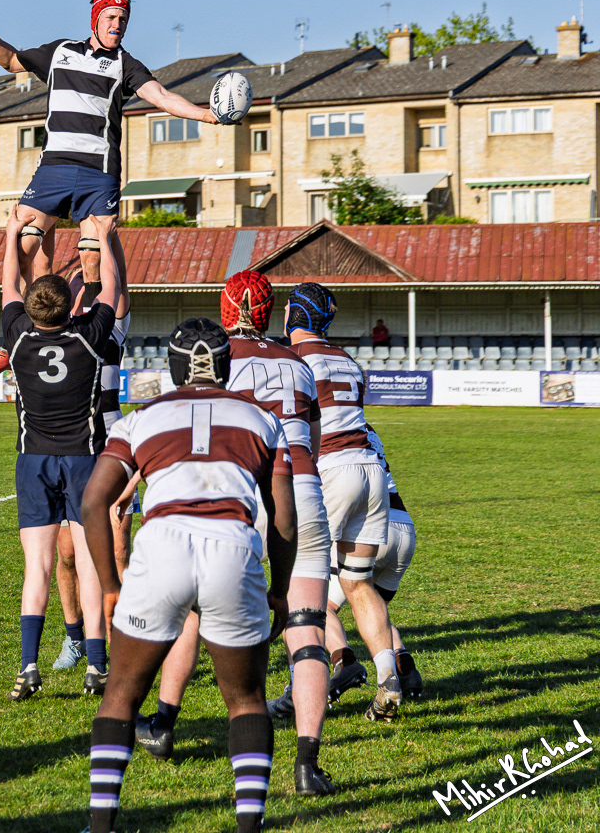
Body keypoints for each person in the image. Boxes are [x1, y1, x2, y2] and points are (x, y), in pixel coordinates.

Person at [80, 318, 297, 833]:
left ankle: (101, 825)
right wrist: (282, 589)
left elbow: (94, 503)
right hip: (233, 547)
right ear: (226, 365)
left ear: (172, 367)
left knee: (122, 693)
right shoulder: (264, 419)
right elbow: (285, 518)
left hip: (162, 545)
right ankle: (249, 825)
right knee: (244, 699)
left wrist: (112, 586)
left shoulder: (141, 417)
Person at [136, 271, 333, 796]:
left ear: (224, 309)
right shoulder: (298, 363)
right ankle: (307, 764)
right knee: (306, 624)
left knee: (196, 608)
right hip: (305, 488)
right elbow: (310, 438)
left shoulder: (219, 355)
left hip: (243, 489)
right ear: (270, 312)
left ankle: (163, 723)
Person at [0, 0, 221, 385]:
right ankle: (14, 342)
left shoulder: (126, 65)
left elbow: (163, 97)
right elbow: (10, 60)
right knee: (24, 244)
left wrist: (206, 115)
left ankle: (86, 334)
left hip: (98, 172)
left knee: (91, 257)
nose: (118, 24)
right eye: (111, 17)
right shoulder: (60, 52)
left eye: (123, 19)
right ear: (95, 20)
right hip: (53, 168)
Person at [1, 204, 120, 702]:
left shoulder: (17, 337)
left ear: (29, 308)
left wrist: (12, 234)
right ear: (72, 302)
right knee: (90, 566)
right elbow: (111, 291)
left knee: (38, 569)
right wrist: (107, 239)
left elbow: (8, 286)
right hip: (83, 460)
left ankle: (28, 666)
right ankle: (96, 666)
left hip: (34, 461)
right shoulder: (89, 338)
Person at [286, 283, 403, 722]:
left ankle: (309, 675)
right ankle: (388, 676)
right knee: (358, 582)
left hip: (332, 468)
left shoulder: (293, 359)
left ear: (291, 316)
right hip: (371, 471)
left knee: (302, 582)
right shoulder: (348, 360)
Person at [52, 250, 140, 673]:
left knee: (118, 551)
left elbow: (116, 284)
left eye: (94, 262)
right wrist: (79, 276)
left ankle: (120, 641)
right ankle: (75, 638)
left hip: (113, 447)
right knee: (67, 553)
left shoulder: (112, 330)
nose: (90, 266)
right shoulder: (64, 331)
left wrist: (107, 240)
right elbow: (56, 295)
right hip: (74, 445)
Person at [326, 423, 423, 700]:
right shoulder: (364, 428)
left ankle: (343, 662)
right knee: (370, 605)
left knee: (320, 607)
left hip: (371, 527)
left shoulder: (331, 427)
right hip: (404, 528)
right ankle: (406, 669)